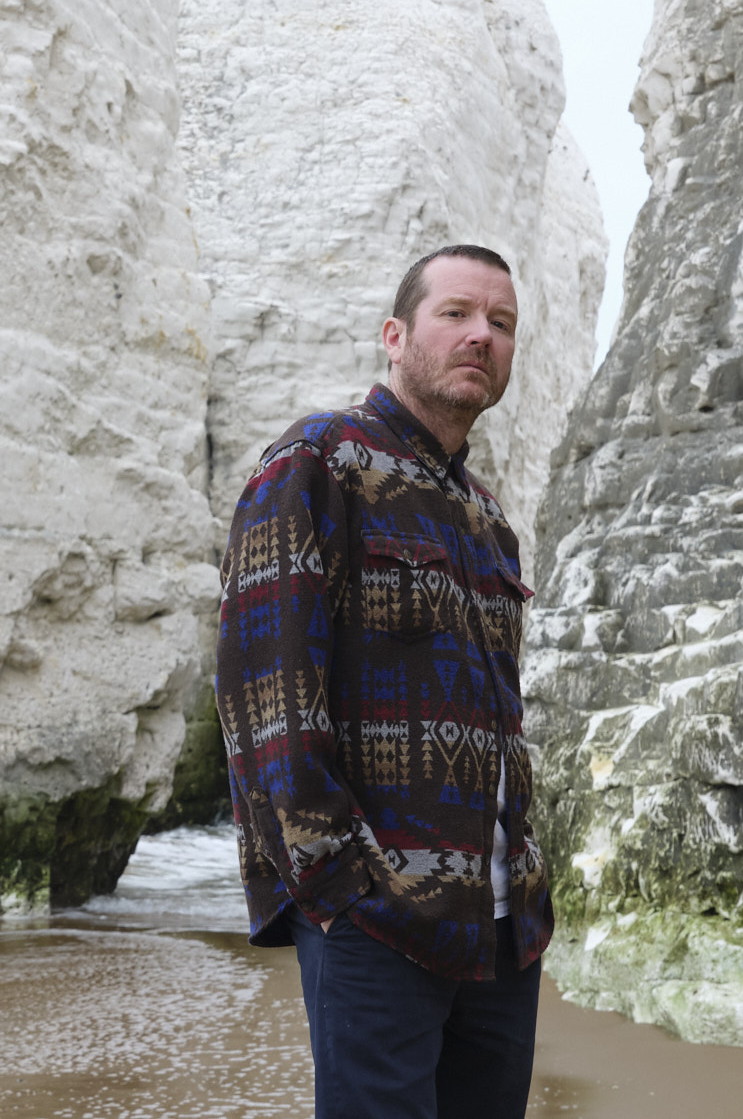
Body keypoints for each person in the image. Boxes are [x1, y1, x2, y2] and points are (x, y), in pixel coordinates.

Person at [215, 245, 553, 1119]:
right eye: (457, 313)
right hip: (376, 916)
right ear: (395, 336)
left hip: (502, 927)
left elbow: (501, 718)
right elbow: (265, 692)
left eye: (502, 323)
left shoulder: (488, 520)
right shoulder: (317, 463)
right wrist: (334, 888)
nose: (481, 336)